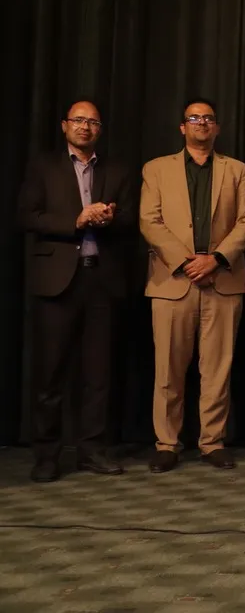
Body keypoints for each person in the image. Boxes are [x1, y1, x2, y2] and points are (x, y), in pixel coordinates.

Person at [18, 100, 137, 482]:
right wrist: (76, 219)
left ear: (100, 130)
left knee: (98, 375)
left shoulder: (117, 170)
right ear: (64, 125)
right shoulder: (43, 167)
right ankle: (47, 455)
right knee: (50, 374)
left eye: (93, 122)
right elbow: (26, 216)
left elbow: (131, 219)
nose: (85, 127)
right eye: (79, 120)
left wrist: (108, 218)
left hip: (101, 280)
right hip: (57, 281)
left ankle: (92, 449)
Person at [140, 98, 245, 473]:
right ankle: (167, 443)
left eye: (208, 118)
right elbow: (150, 221)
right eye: (194, 118)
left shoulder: (236, 170)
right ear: (182, 127)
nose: (201, 123)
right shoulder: (156, 169)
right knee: (168, 370)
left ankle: (212, 442)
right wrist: (187, 262)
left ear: (217, 127)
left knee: (218, 370)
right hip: (172, 281)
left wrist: (216, 259)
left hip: (222, 280)